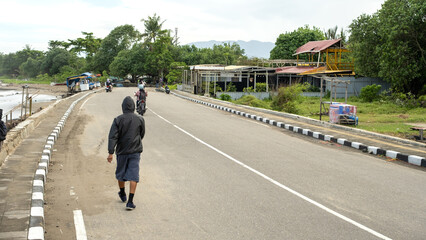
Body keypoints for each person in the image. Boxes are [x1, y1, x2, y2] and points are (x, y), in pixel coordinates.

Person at [107, 96, 145, 210]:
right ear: (133, 107)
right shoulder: (140, 119)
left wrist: (110, 152)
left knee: (121, 173)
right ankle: (130, 201)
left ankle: (122, 193)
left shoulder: (118, 119)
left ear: (123, 107)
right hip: (135, 151)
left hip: (122, 151)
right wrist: (136, 141)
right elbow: (142, 133)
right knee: (134, 175)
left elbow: (112, 137)